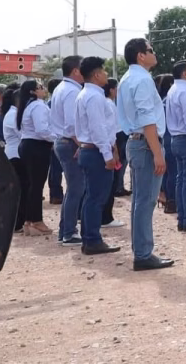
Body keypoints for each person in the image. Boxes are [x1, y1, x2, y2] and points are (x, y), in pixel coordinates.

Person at [118, 38, 174, 271]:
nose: (154, 53)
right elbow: (146, 117)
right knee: (145, 200)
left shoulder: (128, 78)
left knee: (141, 200)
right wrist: (157, 153)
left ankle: (141, 250)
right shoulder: (141, 79)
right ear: (141, 55)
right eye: (150, 50)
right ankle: (142, 254)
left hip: (138, 142)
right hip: (145, 144)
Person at [73, 56, 121, 255]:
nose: (106, 75)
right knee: (96, 198)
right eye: (103, 71)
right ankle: (92, 239)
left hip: (90, 149)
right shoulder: (93, 96)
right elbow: (97, 128)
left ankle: (89, 238)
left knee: (92, 197)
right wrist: (107, 154)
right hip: (95, 151)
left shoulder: (85, 94)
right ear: (96, 74)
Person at [49, 56, 85, 246]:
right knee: (76, 188)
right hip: (70, 142)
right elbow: (72, 125)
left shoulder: (63, 88)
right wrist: (81, 145)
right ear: (76, 71)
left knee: (74, 188)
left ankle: (66, 230)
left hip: (63, 141)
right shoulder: (71, 91)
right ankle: (69, 232)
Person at [164, 61, 186, 234]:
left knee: (181, 179)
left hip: (175, 138)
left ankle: (183, 217)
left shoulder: (173, 89)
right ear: (185, 74)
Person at [17, 79, 54, 235]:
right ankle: (36, 221)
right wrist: (56, 138)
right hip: (37, 147)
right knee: (37, 185)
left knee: (32, 185)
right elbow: (42, 130)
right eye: (40, 87)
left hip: (28, 145)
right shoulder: (38, 106)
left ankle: (29, 220)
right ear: (33, 91)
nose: (43, 89)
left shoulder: (27, 106)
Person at [1, 84, 26, 231]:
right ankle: (17, 223)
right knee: (19, 190)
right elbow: (22, 135)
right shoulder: (13, 115)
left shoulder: (13, 113)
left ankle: (19, 221)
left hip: (16, 154)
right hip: (15, 155)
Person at [100, 78, 124, 229]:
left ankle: (105, 216)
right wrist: (114, 149)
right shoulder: (109, 104)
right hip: (112, 143)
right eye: (116, 88)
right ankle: (106, 217)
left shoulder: (106, 103)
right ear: (111, 90)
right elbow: (110, 129)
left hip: (111, 142)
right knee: (111, 181)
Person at [155, 74, 176, 213]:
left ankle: (165, 197)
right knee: (174, 172)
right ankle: (172, 201)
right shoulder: (170, 100)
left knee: (167, 172)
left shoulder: (160, 101)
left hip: (163, 138)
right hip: (172, 137)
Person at [46, 77, 64, 205]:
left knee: (55, 169)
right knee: (56, 169)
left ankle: (55, 194)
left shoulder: (50, 102)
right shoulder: (53, 103)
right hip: (56, 138)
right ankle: (56, 194)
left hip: (54, 138)